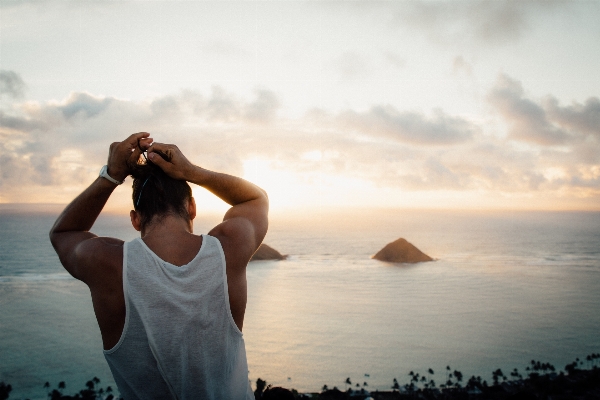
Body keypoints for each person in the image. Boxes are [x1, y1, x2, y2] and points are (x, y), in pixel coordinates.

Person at [49, 132, 268, 399]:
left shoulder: (108, 262)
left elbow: (64, 233)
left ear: (135, 219)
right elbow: (255, 200)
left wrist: (111, 176)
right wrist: (193, 172)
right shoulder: (228, 248)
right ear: (191, 208)